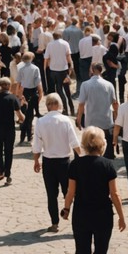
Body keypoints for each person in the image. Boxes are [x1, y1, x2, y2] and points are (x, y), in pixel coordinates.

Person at [61, 126, 126, 254]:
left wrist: (66, 209)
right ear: (102, 144)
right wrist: (122, 216)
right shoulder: (107, 165)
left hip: (81, 215)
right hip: (103, 215)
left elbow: (70, 192)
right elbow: (114, 194)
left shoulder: (75, 165)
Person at [33, 93, 81, 232]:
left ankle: (55, 223)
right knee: (70, 192)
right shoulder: (65, 120)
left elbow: (37, 144)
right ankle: (72, 218)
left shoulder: (41, 122)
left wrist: (36, 160)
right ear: (59, 104)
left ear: (48, 105)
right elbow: (74, 141)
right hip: (64, 161)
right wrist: (82, 157)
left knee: (51, 194)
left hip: (48, 161)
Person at [76, 63, 119, 160]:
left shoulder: (85, 84)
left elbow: (81, 104)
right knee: (107, 146)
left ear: (91, 70)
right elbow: (115, 103)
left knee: (90, 145)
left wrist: (79, 118)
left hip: (91, 120)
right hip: (106, 120)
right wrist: (117, 116)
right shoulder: (109, 85)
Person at [0, 77, 24, 185]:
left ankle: (1, 171)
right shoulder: (13, 98)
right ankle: (8, 173)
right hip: (9, 128)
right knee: (9, 151)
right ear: (8, 86)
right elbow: (20, 115)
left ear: (0, 86)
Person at [44, 30, 74, 115]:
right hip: (64, 69)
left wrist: (45, 67)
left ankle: (65, 109)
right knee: (67, 90)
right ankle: (71, 107)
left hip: (54, 70)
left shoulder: (50, 45)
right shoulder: (65, 43)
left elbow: (46, 58)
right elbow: (68, 56)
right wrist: (71, 67)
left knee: (59, 90)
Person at [18, 52, 43, 145]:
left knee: (24, 115)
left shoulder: (21, 69)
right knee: (30, 115)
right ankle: (29, 135)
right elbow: (38, 83)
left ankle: (22, 136)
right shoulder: (35, 68)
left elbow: (19, 83)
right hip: (33, 92)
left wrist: (19, 95)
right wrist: (40, 93)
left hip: (24, 92)